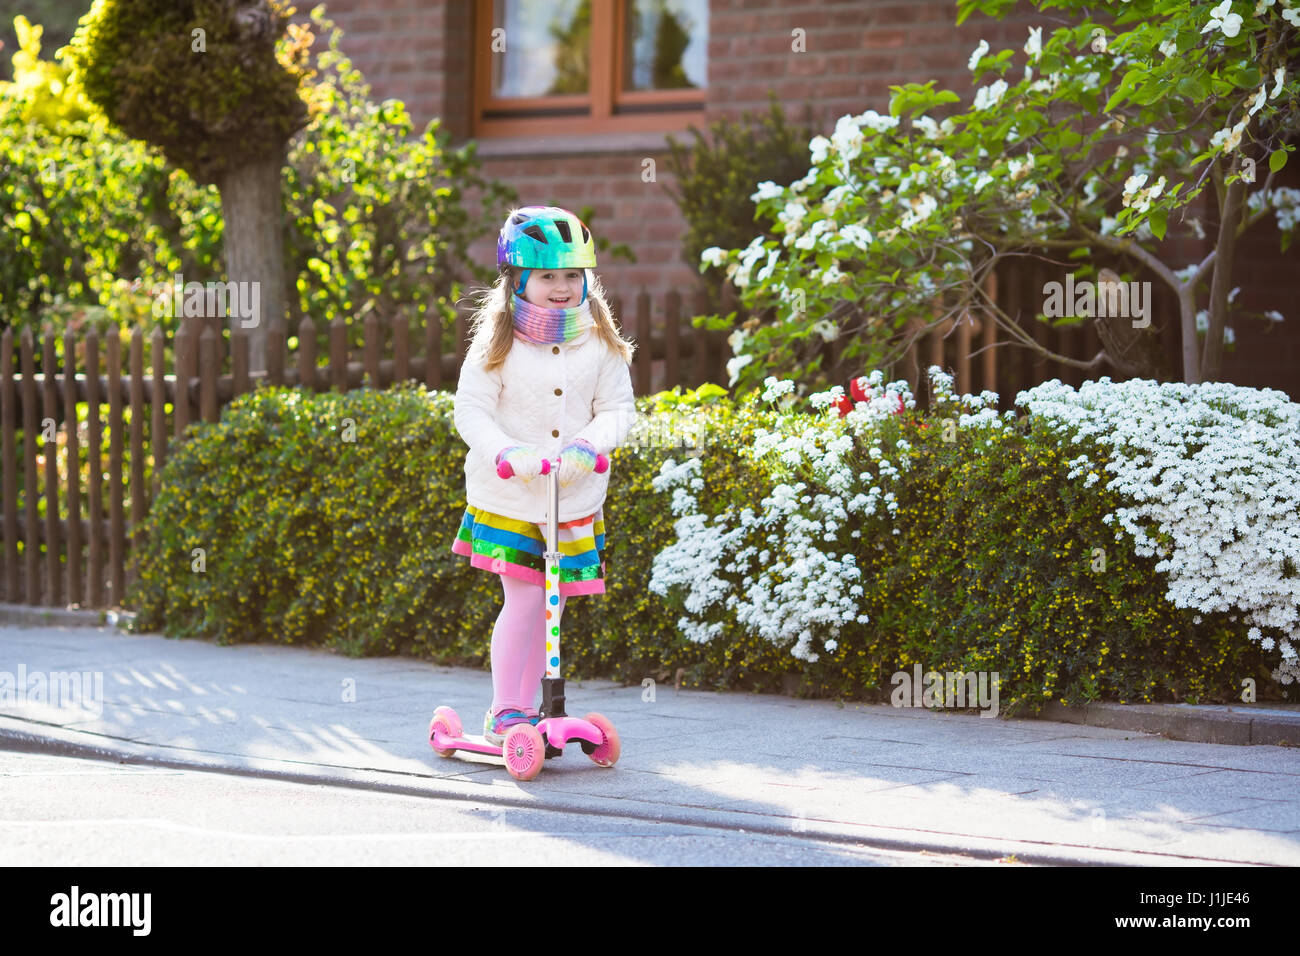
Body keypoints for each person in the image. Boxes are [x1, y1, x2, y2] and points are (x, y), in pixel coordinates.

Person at [451, 205, 637, 746]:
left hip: (572, 497)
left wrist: (588, 445)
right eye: (548, 276)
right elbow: (471, 410)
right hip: (511, 495)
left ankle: (536, 711)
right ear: (518, 281)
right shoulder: (497, 344)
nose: (561, 287)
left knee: (551, 602)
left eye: (572, 275)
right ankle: (506, 712)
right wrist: (505, 452)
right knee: (527, 598)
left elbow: (618, 410)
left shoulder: (600, 344)